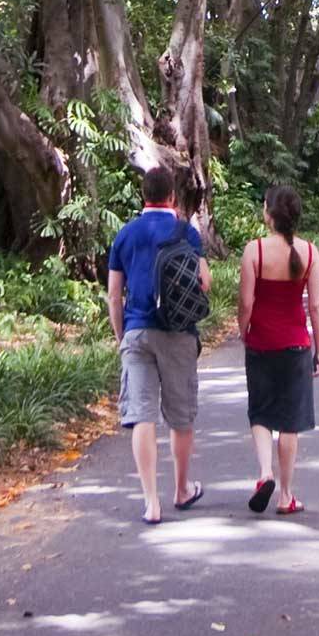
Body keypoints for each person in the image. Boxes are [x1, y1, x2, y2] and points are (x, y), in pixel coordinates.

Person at [107, 167, 213, 525]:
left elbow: (113, 294)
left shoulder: (125, 234)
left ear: (144, 195)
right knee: (180, 418)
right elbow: (205, 282)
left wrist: (122, 336)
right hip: (179, 332)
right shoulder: (186, 232)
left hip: (137, 331)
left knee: (142, 415)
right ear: (172, 196)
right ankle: (181, 490)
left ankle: (151, 502)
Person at [238, 185, 319, 515]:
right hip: (296, 345)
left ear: (269, 214)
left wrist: (243, 330)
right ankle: (286, 495)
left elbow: (246, 302)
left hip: (261, 342)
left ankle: (265, 473)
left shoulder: (254, 251)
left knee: (260, 412)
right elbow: (315, 306)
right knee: (290, 421)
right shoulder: (310, 253)